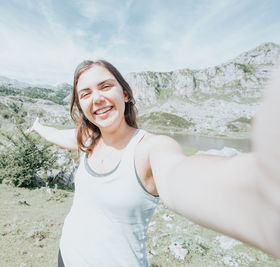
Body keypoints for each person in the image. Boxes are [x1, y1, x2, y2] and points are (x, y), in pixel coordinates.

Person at [30, 60, 280, 266]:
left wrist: (263, 186)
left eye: (105, 86)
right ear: (82, 106)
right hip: (67, 257)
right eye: (85, 94)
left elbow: (180, 176)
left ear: (125, 93)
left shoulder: (151, 149)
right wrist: (39, 128)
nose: (96, 99)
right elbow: (60, 135)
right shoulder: (89, 140)